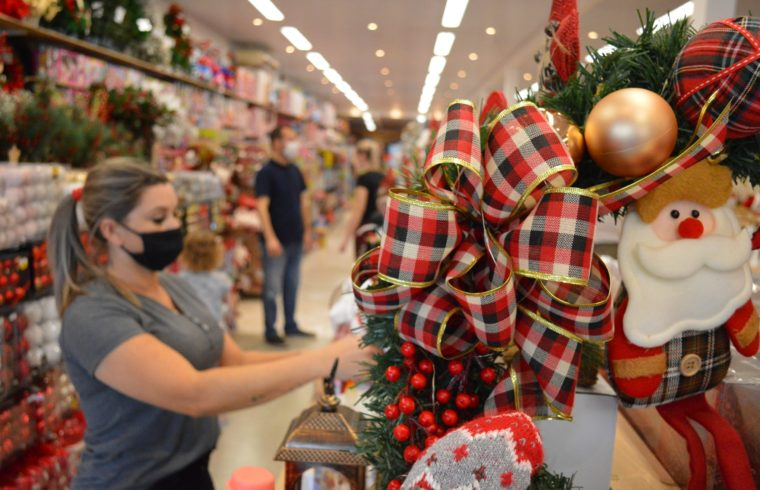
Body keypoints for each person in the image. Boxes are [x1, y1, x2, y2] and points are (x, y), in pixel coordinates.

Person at [48, 159, 371, 490]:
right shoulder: (92, 314)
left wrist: (329, 357)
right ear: (111, 230)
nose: (175, 226)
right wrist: (324, 362)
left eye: (176, 213)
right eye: (158, 218)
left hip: (193, 472)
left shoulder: (173, 287)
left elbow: (236, 362)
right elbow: (194, 393)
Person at [254, 126, 313, 345]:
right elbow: (261, 207)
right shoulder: (266, 173)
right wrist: (269, 237)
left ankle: (290, 324)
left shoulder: (295, 171)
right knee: (272, 288)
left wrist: (307, 232)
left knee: (292, 285)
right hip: (275, 241)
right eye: (289, 139)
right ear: (277, 142)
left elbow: (302, 202)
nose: (293, 144)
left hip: (295, 238)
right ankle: (270, 330)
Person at [178, 229, 237, 330]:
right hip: (216, 327)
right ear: (217, 253)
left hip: (191, 328)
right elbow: (230, 309)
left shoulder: (179, 279)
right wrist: (231, 322)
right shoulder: (222, 279)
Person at [338, 140, 386, 256]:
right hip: (381, 230)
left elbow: (359, 210)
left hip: (366, 230)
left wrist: (345, 239)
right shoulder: (382, 176)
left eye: (355, 154)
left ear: (363, 156)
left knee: (362, 269)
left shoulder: (363, 179)